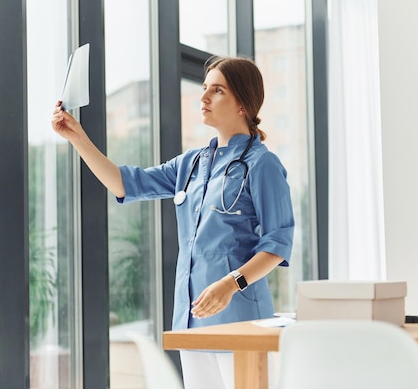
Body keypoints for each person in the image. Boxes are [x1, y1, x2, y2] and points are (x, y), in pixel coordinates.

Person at [52, 56, 294, 389]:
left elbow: (278, 244)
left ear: (242, 104)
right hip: (191, 319)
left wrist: (231, 283)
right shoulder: (191, 164)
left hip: (241, 317)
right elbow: (125, 183)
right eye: (204, 88)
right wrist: (77, 137)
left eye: (217, 90)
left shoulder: (262, 165)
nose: (204, 97)